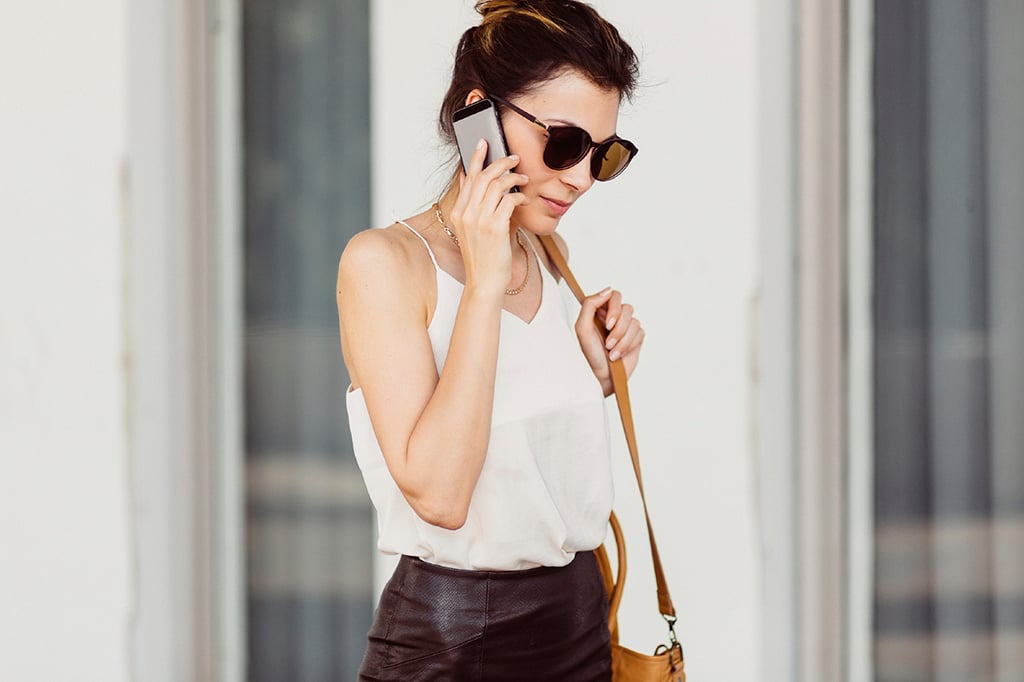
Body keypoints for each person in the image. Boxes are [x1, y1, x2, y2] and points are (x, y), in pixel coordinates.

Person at [336, 1, 643, 679]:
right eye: (564, 143)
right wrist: (481, 282)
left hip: (579, 627)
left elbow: (521, 453)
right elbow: (441, 496)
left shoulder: (550, 254)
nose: (580, 177)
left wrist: (593, 374)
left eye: (604, 154)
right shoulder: (385, 264)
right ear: (481, 115)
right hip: (453, 644)